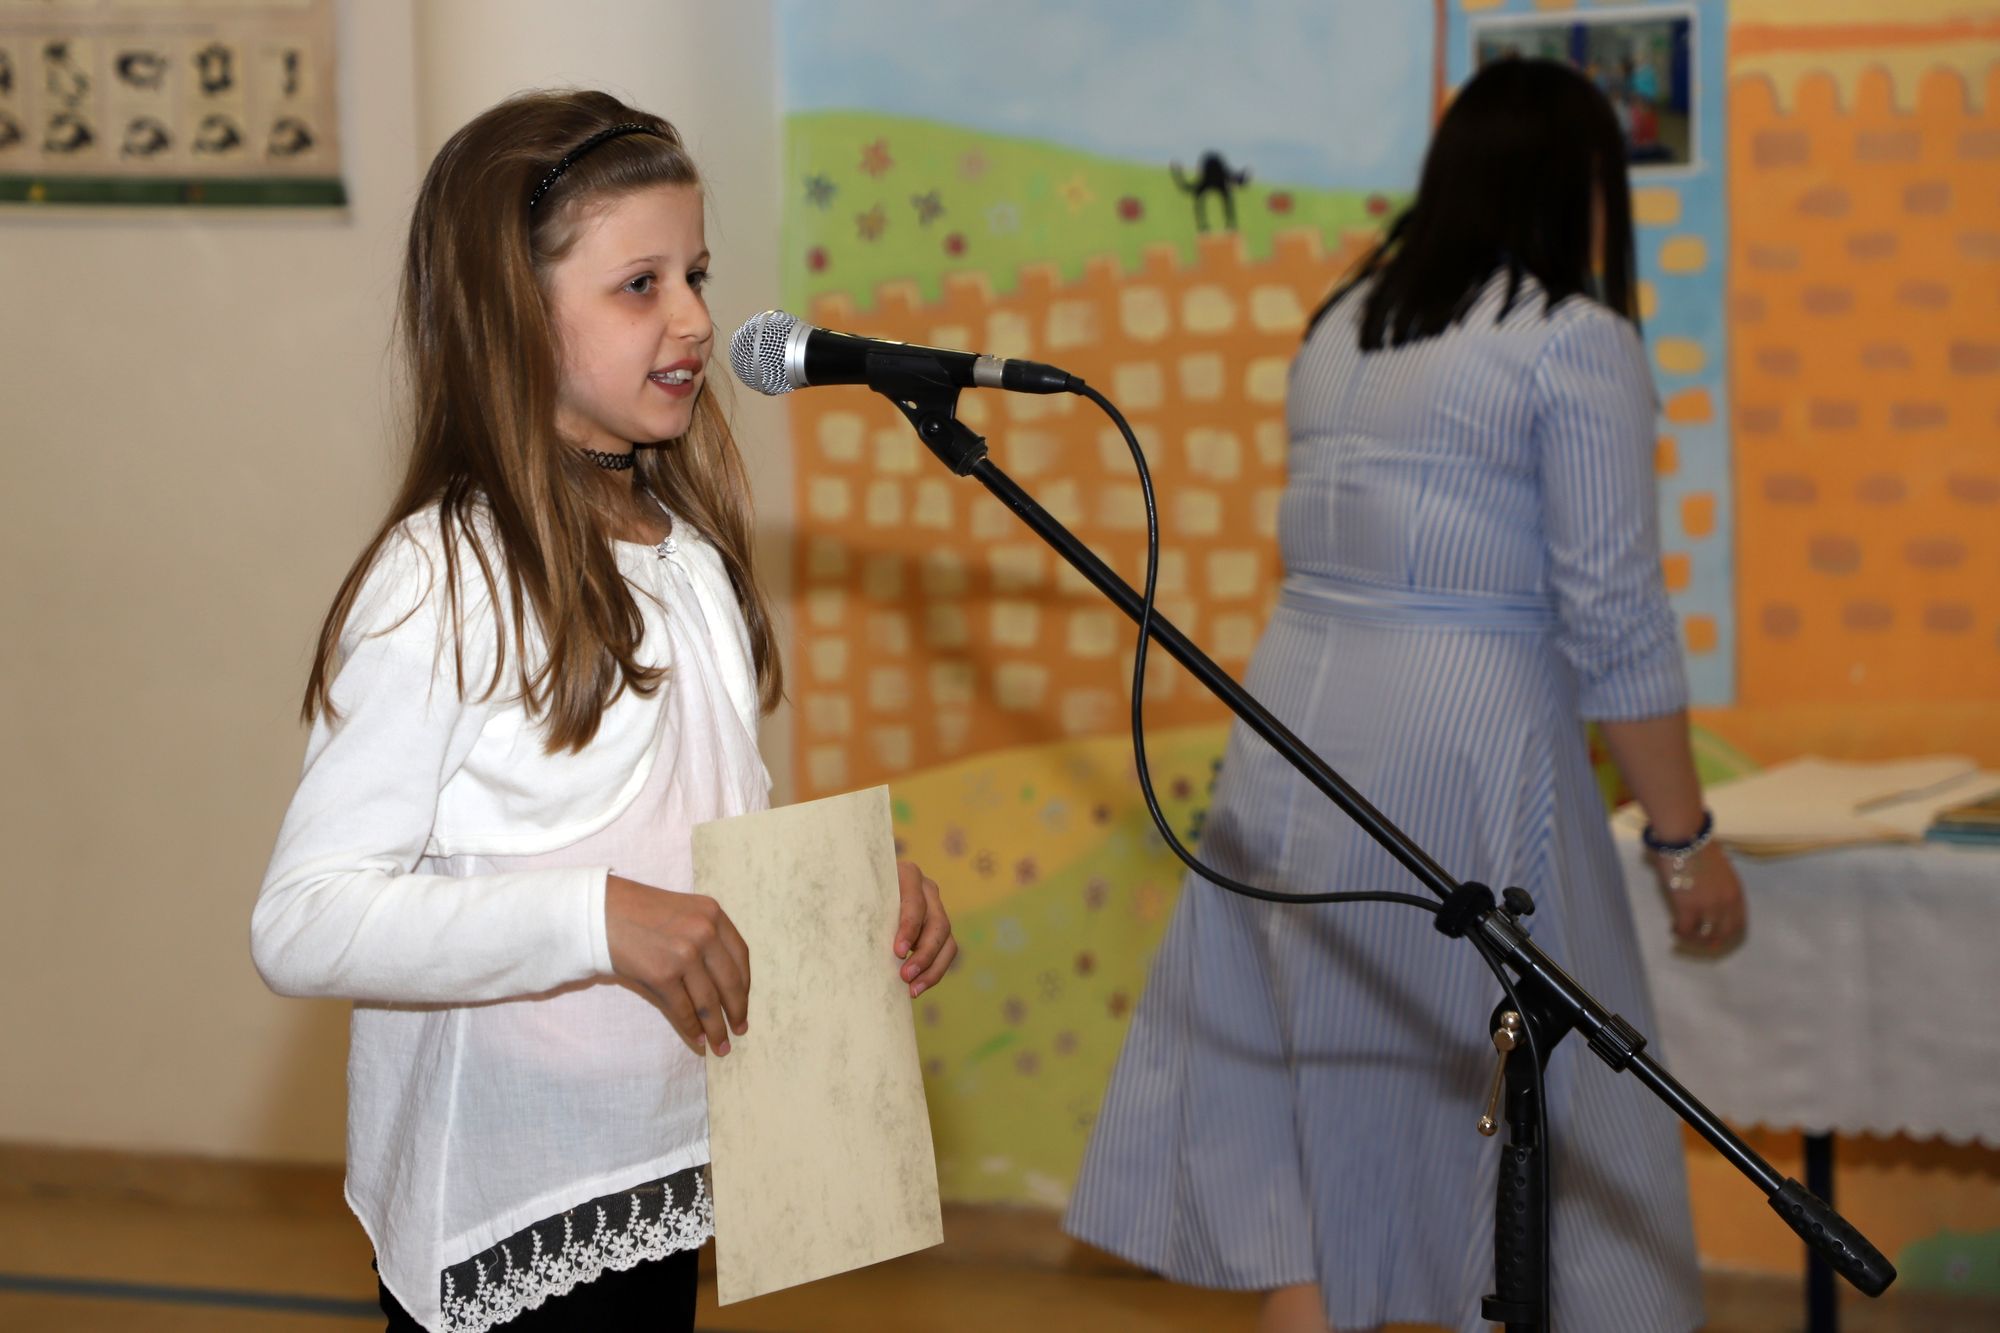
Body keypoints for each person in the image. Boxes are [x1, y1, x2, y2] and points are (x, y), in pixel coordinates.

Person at [250, 91, 958, 1333]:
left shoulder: (685, 552)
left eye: (695, 274)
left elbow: (696, 825)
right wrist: (596, 918)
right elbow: (304, 922)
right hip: (513, 1205)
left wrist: (839, 904)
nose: (694, 319)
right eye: (640, 285)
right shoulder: (446, 577)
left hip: (659, 1165)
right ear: (511, 313)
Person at [1065, 59, 1742, 1333]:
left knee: (1313, 1141)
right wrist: (1682, 838)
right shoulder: (1570, 339)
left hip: (1289, 735)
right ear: (1581, 190)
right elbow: (1614, 616)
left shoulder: (1344, 326)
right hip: (1462, 741)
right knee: (1533, 1117)